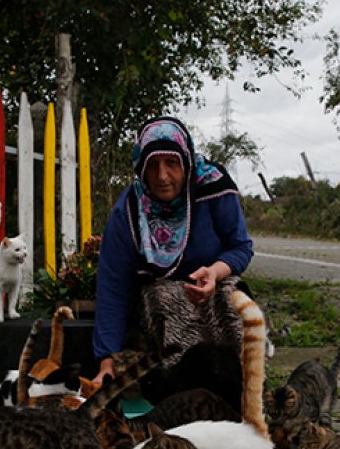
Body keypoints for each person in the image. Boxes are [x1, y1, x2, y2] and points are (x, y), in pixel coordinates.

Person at [90, 116, 253, 387]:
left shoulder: (214, 187)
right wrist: (106, 360)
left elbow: (240, 246)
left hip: (215, 285)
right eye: (152, 165)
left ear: (186, 162)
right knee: (166, 297)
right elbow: (113, 286)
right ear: (141, 168)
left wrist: (214, 272)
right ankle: (182, 395)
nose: (162, 176)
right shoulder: (129, 211)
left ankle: (242, 391)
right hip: (159, 300)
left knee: (231, 299)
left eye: (172, 163)